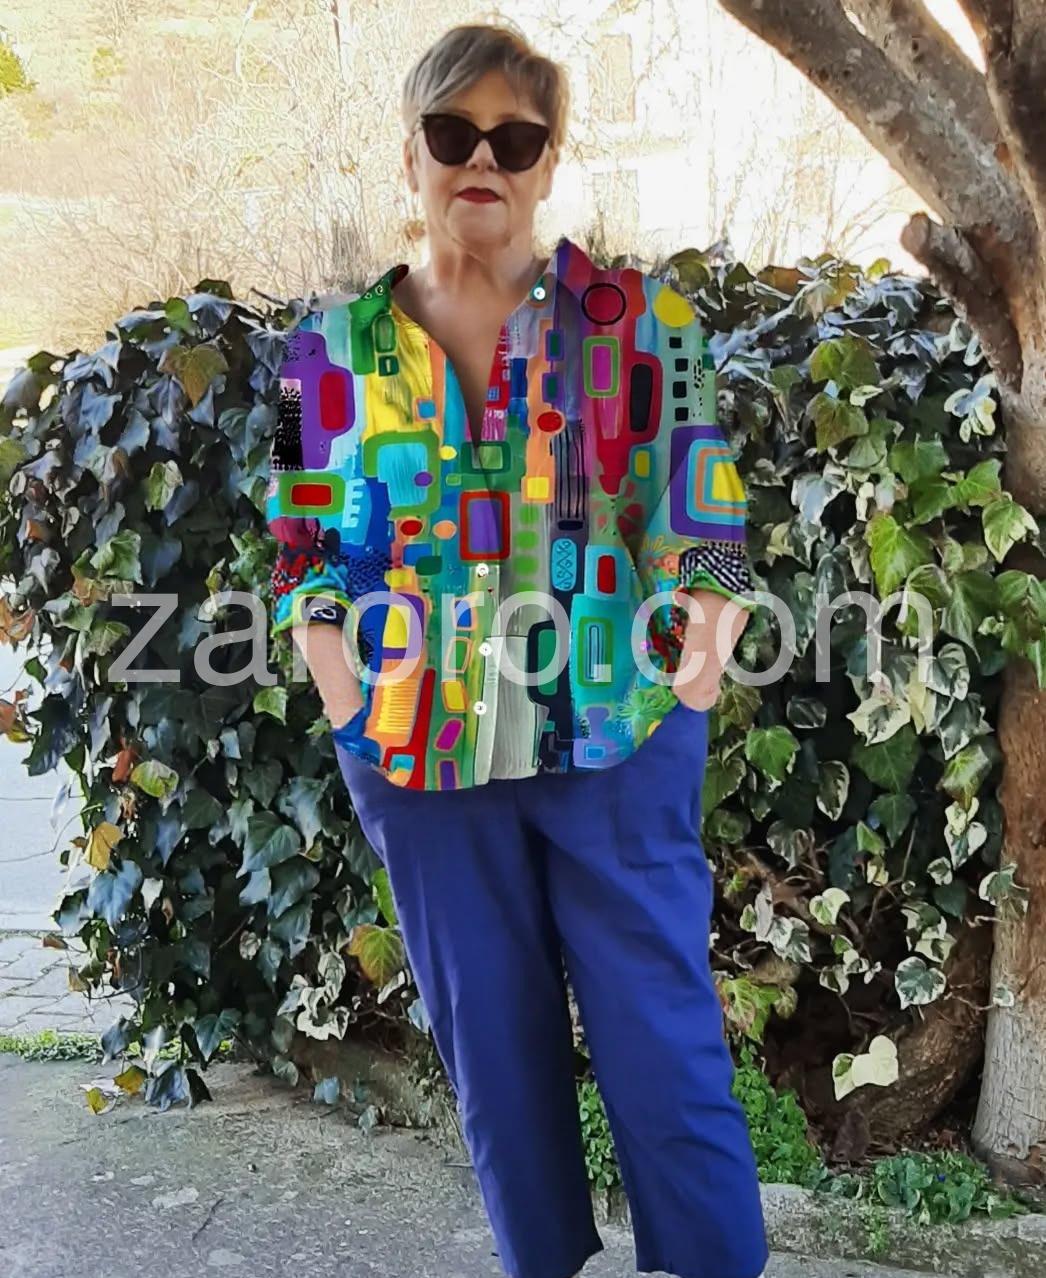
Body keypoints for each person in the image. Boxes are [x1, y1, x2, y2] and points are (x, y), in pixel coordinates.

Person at [265, 21, 769, 1278]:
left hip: (617, 735)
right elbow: (299, 548)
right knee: (492, 1053)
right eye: (452, 134)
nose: (480, 159)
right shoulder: (324, 355)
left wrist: (692, 672)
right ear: (411, 156)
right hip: (414, 747)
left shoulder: (641, 323)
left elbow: (704, 519)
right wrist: (342, 695)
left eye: (513, 137)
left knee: (663, 1043)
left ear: (549, 159)